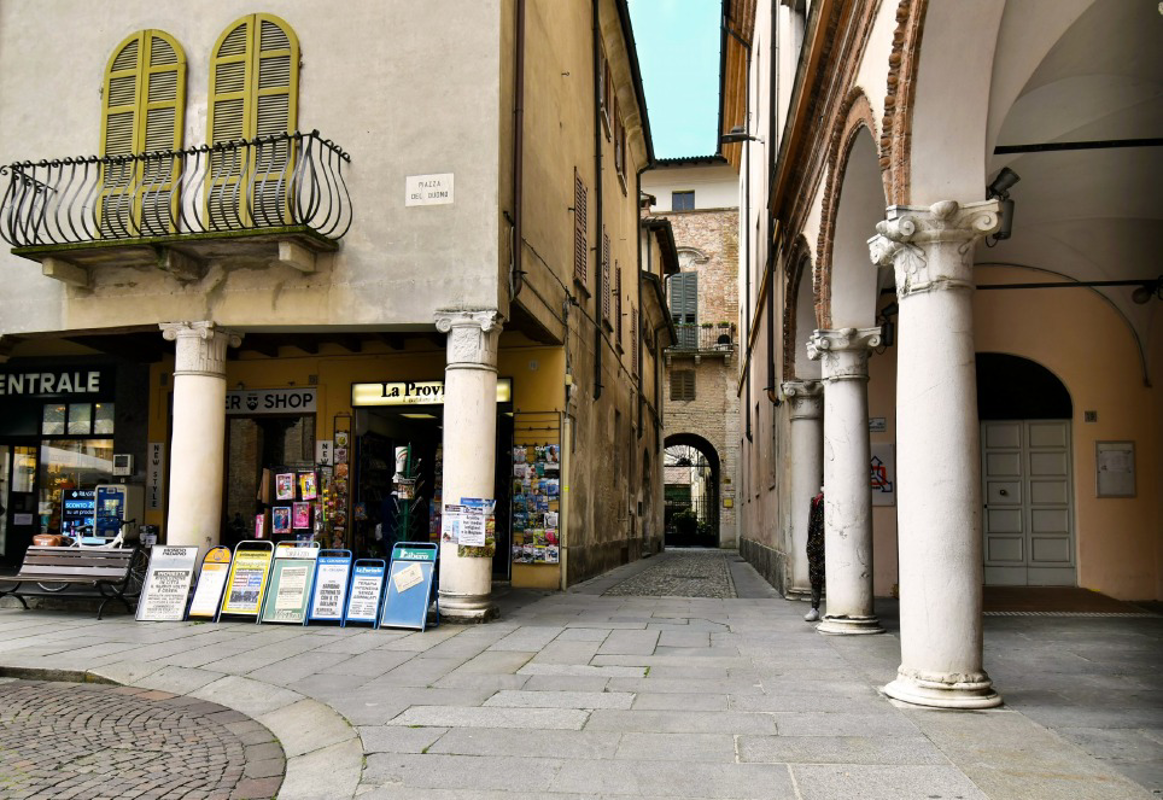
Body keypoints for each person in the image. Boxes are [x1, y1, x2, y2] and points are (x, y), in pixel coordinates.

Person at [805, 488, 825, 622]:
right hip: (817, 544)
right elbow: (811, 524)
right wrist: (810, 545)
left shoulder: (834, 499)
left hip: (832, 544)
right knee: (816, 576)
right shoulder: (816, 501)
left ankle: (833, 608)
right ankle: (815, 607)